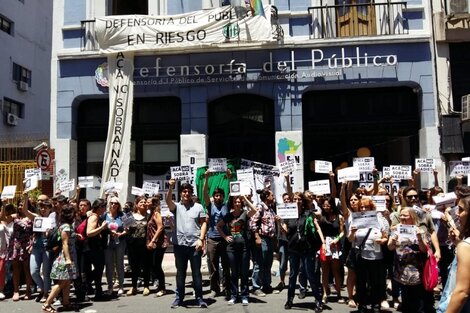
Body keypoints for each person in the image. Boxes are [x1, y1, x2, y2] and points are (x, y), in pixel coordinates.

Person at [167, 179, 208, 309]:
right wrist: (171, 187)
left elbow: (204, 223)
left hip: (195, 245)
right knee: (180, 273)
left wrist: (201, 239)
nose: (186, 194)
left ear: (192, 194)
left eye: (189, 192)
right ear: (180, 194)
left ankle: (199, 298)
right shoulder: (177, 207)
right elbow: (168, 202)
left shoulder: (198, 207)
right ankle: (179, 298)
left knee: (196, 273)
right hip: (179, 245)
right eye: (184, 191)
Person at [281, 192, 325, 312]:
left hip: (307, 248)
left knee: (311, 274)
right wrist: (280, 223)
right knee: (292, 275)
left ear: (303, 201)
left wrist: (323, 243)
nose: (296, 201)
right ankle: (289, 300)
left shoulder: (308, 214)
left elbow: (317, 227)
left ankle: (318, 301)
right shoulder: (288, 215)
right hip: (293, 249)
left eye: (299, 199)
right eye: (294, 199)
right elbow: (286, 232)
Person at [348, 197, 389, 313]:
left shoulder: (378, 219)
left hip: (376, 255)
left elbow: (385, 236)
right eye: (361, 207)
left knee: (375, 281)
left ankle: (376, 304)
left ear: (371, 208)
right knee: (361, 281)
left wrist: (382, 240)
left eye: (366, 207)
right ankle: (362, 304)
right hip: (360, 255)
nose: (364, 209)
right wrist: (353, 232)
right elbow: (350, 239)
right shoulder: (355, 219)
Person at [387, 207, 429, 313]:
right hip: (401, 271)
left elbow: (424, 249)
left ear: (412, 217)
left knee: (418, 302)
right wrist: (393, 240)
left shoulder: (420, 229)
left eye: (405, 215)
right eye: (401, 215)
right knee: (406, 300)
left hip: (417, 271)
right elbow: (390, 247)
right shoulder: (396, 229)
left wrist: (419, 238)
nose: (402, 217)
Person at [41, 205, 78, 313]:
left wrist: (76, 235)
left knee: (67, 282)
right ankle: (47, 304)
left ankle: (66, 303)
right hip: (64, 258)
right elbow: (65, 244)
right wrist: (68, 259)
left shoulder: (65, 226)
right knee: (61, 283)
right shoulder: (66, 227)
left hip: (67, 257)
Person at [216, 195, 251, 305]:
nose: (237, 203)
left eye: (239, 202)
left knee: (244, 272)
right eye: (235, 202)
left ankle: (244, 295)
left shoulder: (245, 213)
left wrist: (245, 198)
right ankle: (234, 295)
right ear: (232, 203)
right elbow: (218, 226)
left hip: (244, 247)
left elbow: (255, 210)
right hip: (231, 248)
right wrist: (225, 237)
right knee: (234, 273)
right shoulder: (229, 215)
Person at [202, 170, 230, 299]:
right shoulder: (210, 206)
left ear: (223, 197)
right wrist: (207, 178)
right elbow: (205, 194)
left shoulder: (226, 205)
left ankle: (226, 288)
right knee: (212, 266)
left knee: (225, 265)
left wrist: (229, 178)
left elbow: (232, 192)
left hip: (225, 240)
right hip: (212, 239)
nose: (218, 197)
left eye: (220, 195)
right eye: (216, 195)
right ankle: (214, 288)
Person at [21, 194, 53, 303]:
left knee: (46, 272)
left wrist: (49, 232)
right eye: (41, 207)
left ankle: (45, 293)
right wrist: (25, 198)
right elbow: (25, 211)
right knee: (34, 271)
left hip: (47, 247)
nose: (43, 209)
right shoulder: (36, 217)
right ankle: (43, 288)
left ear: (49, 208)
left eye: (45, 207)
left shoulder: (53, 218)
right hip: (36, 247)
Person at [441, 195, 470, 313]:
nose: (457, 213)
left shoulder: (466, 246)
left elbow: (462, 292)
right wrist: (458, 243)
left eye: (461, 210)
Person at [2, 199, 33, 301]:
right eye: (19, 205)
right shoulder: (15, 216)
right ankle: (16, 291)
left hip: (27, 245)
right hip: (16, 245)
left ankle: (28, 290)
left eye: (23, 205)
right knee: (15, 269)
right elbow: (3, 218)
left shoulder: (31, 216)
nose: (21, 207)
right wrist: (4, 204)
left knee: (26, 268)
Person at [249, 188, 277, 297]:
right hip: (262, 238)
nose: (273, 197)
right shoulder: (260, 207)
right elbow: (253, 223)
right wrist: (257, 237)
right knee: (259, 263)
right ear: (266, 197)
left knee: (268, 263)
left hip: (269, 239)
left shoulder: (270, 208)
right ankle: (256, 287)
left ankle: (267, 286)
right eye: (271, 195)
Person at [318, 196, 345, 303]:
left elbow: (342, 231)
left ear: (332, 206)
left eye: (328, 205)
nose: (326, 207)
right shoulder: (321, 217)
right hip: (324, 243)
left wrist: (337, 239)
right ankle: (325, 293)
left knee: (336, 270)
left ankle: (338, 293)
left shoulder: (339, 217)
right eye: (324, 205)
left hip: (335, 244)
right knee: (324, 271)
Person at [126, 196, 152, 296]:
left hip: (145, 244)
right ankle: (133, 287)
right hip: (132, 244)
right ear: (136, 204)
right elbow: (127, 230)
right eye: (141, 202)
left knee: (145, 265)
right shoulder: (130, 216)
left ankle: (146, 286)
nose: (143, 203)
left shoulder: (149, 215)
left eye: (144, 202)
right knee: (134, 266)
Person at [83, 198, 108, 300]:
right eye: (103, 207)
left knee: (98, 270)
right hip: (93, 248)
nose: (105, 209)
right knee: (98, 270)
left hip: (95, 247)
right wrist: (102, 228)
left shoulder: (96, 216)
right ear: (99, 207)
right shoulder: (94, 217)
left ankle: (98, 291)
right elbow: (89, 232)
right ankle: (88, 285)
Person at [104, 197, 127, 296]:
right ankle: (110, 286)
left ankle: (121, 285)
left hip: (120, 242)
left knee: (119, 264)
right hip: (108, 243)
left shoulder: (122, 215)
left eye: (116, 203)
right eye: (112, 203)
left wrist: (121, 234)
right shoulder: (104, 215)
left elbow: (129, 228)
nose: (113, 205)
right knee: (109, 265)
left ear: (118, 205)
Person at [146, 196, 168, 298]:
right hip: (154, 244)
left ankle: (162, 288)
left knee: (157, 265)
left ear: (153, 203)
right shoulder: (151, 213)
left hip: (159, 243)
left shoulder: (156, 213)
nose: (146, 203)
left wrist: (153, 241)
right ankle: (160, 286)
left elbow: (160, 227)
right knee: (154, 265)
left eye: (148, 202)